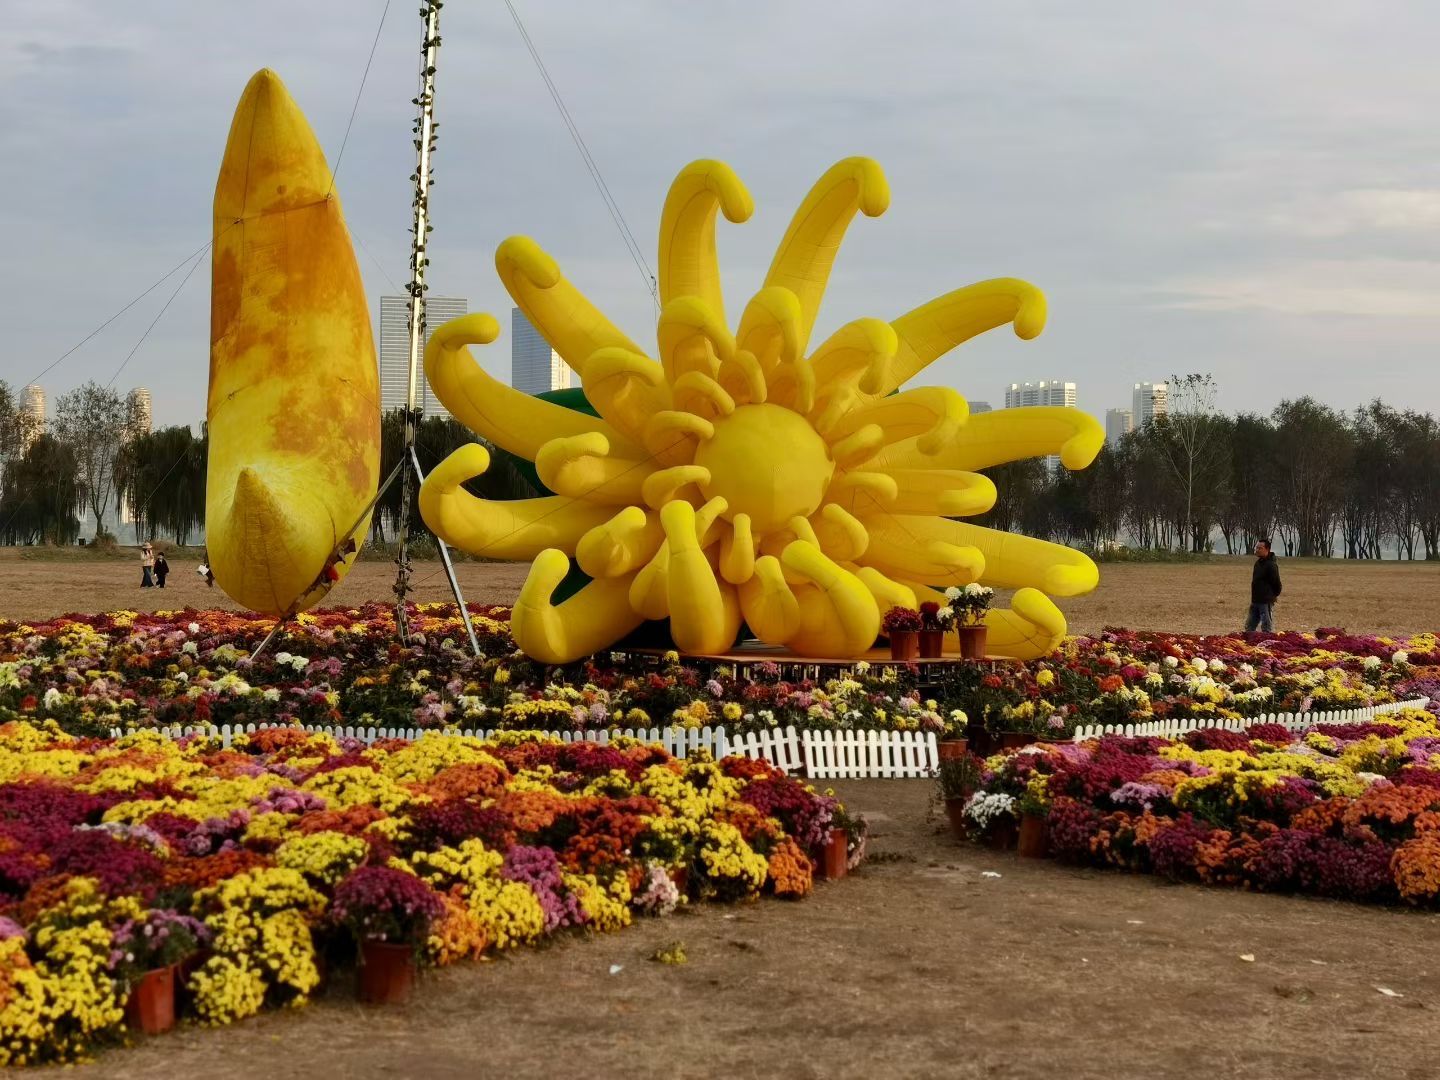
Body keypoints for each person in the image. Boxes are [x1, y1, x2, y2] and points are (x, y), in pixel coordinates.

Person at [1245, 537, 1282, 633]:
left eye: (1260, 548)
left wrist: (1272, 596)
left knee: (1266, 627)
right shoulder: (1257, 563)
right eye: (1256, 548)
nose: (1257, 550)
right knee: (1249, 626)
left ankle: (1267, 641)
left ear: (1267, 549)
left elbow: (1276, 583)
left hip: (1265, 601)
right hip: (1255, 600)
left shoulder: (1271, 565)